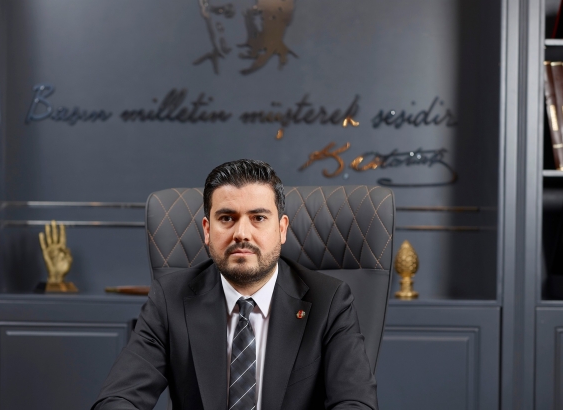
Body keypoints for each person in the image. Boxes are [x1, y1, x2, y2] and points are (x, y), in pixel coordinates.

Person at [92, 159, 378, 410]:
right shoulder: (170, 298)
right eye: (227, 218)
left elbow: (355, 403)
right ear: (207, 230)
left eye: (258, 218)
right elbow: (118, 399)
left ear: (281, 229)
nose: (242, 233)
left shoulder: (329, 301)